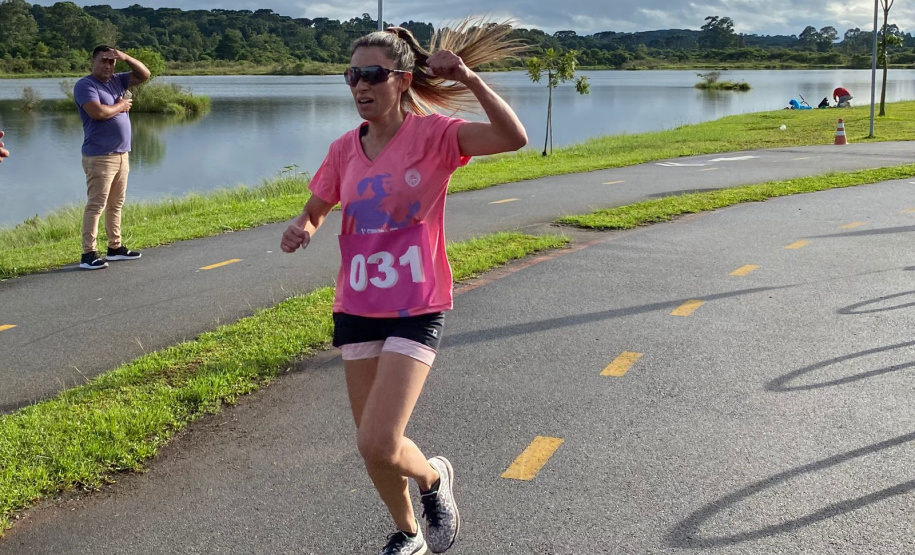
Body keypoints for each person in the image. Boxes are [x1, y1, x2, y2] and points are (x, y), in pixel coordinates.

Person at [280, 19, 527, 555]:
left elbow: (513, 138)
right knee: (373, 448)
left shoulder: (434, 136)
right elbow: (317, 208)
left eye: (373, 74)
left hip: (416, 303)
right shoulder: (344, 149)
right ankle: (410, 533)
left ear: (403, 80)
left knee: (379, 439)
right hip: (358, 304)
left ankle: (434, 478)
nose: (360, 85)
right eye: (352, 75)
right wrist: (303, 227)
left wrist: (469, 79)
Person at [74, 45, 150, 270]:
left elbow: (144, 74)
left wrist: (125, 57)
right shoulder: (85, 85)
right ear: (93, 62)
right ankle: (88, 254)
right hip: (99, 156)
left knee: (116, 204)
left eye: (112, 61)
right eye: (103, 60)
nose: (108, 65)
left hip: (122, 154)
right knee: (96, 205)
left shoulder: (118, 80)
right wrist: (121, 105)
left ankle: (114, 248)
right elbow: (97, 113)